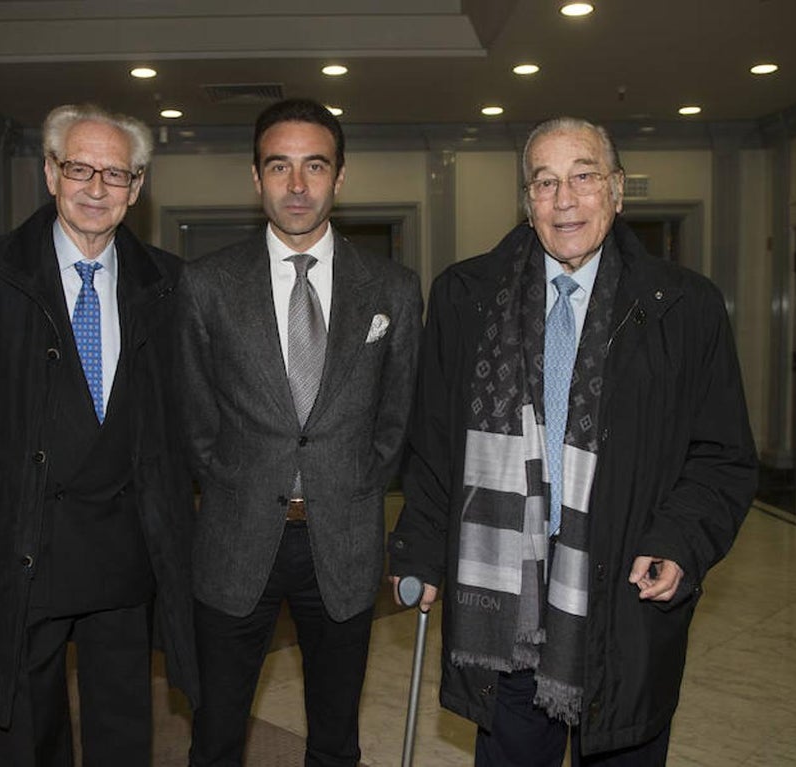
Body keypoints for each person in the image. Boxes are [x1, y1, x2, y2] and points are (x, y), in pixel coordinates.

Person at [388, 116, 757, 766]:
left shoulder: (684, 307)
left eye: (583, 177)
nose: (565, 200)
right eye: (545, 182)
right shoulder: (465, 298)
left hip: (624, 593)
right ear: (527, 200)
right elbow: (435, 445)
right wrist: (419, 547)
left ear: (617, 189)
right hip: (506, 596)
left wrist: (679, 541)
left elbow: (721, 456)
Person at [0, 103, 197, 766]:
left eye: (115, 173)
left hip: (125, 551)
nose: (96, 188)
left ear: (136, 187)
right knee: (26, 733)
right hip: (23, 544)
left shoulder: (169, 283)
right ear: (49, 173)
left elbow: (180, 422)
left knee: (123, 730)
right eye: (79, 169)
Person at [178, 97, 423, 766]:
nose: (296, 185)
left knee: (336, 738)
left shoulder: (393, 289)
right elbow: (196, 420)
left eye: (314, 166)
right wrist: (238, 482)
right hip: (235, 539)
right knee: (216, 734)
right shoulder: (206, 285)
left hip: (343, 539)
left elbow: (397, 416)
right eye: (278, 166)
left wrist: (351, 481)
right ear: (255, 177)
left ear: (339, 176)